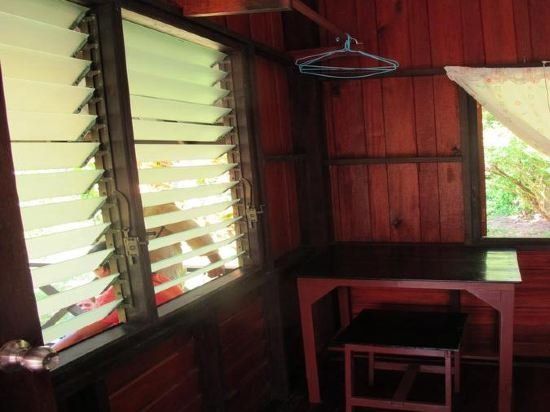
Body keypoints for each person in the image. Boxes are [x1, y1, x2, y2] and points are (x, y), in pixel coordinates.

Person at [52, 203, 224, 351]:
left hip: (159, 286)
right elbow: (107, 261)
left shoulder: (160, 209)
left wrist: (214, 258)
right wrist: (98, 296)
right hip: (157, 287)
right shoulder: (114, 218)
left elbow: (195, 233)